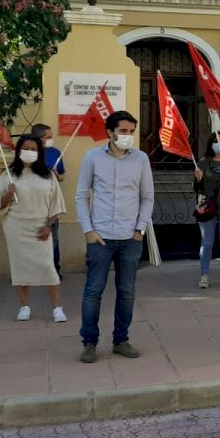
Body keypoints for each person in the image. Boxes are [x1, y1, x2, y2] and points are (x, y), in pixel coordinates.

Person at [75, 110, 154, 363]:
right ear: (110, 132)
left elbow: (147, 197)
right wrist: (88, 230)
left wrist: (140, 230)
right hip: (100, 238)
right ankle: (89, 343)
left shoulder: (141, 159)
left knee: (127, 292)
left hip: (130, 239)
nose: (127, 135)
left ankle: (121, 340)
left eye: (131, 131)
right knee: (93, 291)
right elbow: (81, 195)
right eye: (122, 131)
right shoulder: (93, 158)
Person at [0, 135, 66, 323]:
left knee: (48, 267)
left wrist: (49, 226)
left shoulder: (48, 175)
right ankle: (24, 306)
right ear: (19, 150)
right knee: (19, 267)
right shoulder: (8, 174)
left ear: (39, 152)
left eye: (34, 149)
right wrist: (9, 194)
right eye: (26, 148)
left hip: (41, 227)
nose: (29, 152)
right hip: (16, 227)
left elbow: (56, 203)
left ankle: (57, 308)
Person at [194, 131, 220, 289]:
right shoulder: (203, 163)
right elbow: (197, 189)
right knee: (207, 242)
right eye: (216, 141)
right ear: (211, 143)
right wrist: (198, 179)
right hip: (208, 207)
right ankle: (204, 275)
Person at [30, 123, 66, 276]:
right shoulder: (29, 153)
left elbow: (62, 176)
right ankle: (33, 270)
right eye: (48, 137)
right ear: (39, 138)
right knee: (32, 238)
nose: (51, 139)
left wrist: (57, 175)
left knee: (53, 237)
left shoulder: (55, 152)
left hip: (51, 202)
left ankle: (54, 269)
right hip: (32, 202)